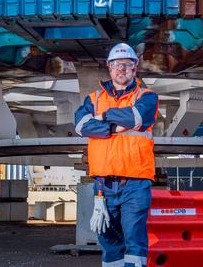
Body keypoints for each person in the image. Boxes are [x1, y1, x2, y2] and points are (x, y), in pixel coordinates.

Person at [74, 43, 158, 267]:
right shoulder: (93, 98)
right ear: (109, 68)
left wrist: (102, 117)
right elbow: (81, 126)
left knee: (134, 240)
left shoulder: (147, 96)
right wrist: (113, 126)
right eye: (117, 65)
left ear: (135, 68)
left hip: (135, 183)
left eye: (127, 65)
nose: (122, 69)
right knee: (109, 240)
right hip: (104, 185)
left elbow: (136, 118)